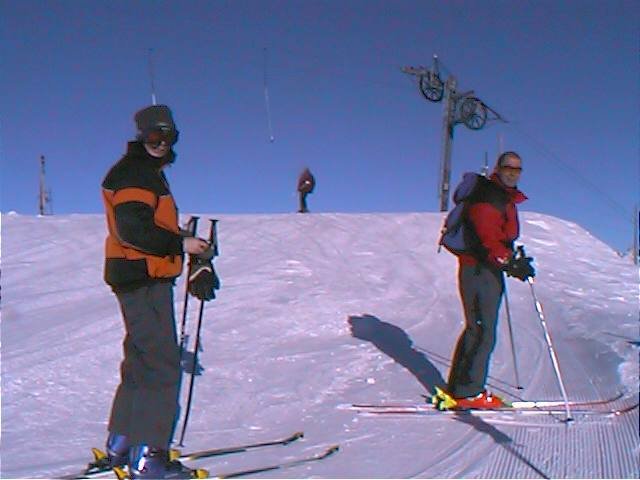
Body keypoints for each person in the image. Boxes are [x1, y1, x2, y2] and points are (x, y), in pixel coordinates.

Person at [100, 104, 218, 478]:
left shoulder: (145, 173)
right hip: (144, 277)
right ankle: (149, 457)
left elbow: (147, 226)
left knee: (140, 361)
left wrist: (188, 244)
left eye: (168, 137)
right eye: (154, 136)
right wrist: (182, 245)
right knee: (161, 364)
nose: (161, 143)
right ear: (141, 135)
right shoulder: (136, 174)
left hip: (138, 276)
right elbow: (132, 230)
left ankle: (122, 445)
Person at [440, 151, 534, 410]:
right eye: (508, 168)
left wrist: (512, 258)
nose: (513, 173)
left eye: (517, 169)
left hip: (484, 268)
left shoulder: (501, 197)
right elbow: (487, 237)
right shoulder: (489, 197)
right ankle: (469, 392)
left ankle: (460, 388)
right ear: (498, 168)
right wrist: (508, 261)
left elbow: (499, 238)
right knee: (482, 329)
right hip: (479, 270)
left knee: (477, 327)